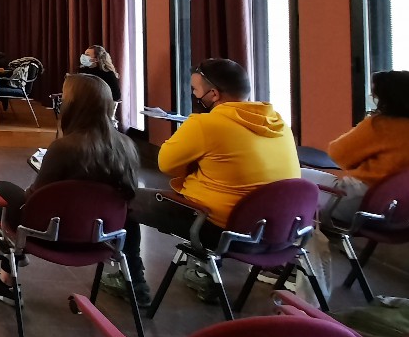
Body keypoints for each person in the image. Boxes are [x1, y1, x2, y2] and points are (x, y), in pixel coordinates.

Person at [102, 57, 300, 305]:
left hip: (224, 231)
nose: (195, 95)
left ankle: (132, 282)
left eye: (195, 90)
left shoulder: (205, 124)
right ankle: (205, 274)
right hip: (278, 232)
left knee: (127, 199)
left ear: (214, 94)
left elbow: (165, 163)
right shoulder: (278, 122)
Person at [0, 73, 138, 304]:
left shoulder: (64, 148)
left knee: (2, 193)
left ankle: (7, 280)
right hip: (103, 236)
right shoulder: (127, 146)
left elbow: (35, 199)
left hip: (51, 234)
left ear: (74, 105)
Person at [302, 70, 409, 222]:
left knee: (291, 175)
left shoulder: (378, 125)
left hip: (358, 200)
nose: (372, 97)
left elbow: (337, 154)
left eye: (374, 94)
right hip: (395, 209)